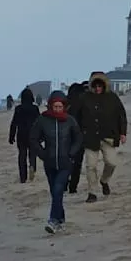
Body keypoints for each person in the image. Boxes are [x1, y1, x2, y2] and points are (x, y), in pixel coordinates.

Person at [29, 91, 84, 234]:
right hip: (50, 163)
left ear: (64, 106)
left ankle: (53, 220)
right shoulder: (43, 120)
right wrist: (43, 154)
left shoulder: (70, 121)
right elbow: (33, 138)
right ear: (50, 106)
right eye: (55, 106)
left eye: (60, 107)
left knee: (59, 189)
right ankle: (61, 219)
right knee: (55, 192)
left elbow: (78, 138)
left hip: (66, 163)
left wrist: (72, 153)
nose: (58, 109)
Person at [72, 72, 128, 204]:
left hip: (109, 136)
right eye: (95, 85)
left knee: (111, 163)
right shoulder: (84, 98)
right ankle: (92, 193)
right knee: (90, 166)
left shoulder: (112, 98)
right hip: (90, 137)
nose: (97, 88)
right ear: (91, 85)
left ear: (104, 86)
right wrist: (78, 132)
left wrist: (123, 133)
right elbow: (75, 116)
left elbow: (121, 115)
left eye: (100, 86)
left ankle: (104, 180)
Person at [8, 87, 40, 183]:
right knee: (32, 154)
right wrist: (41, 135)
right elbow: (39, 122)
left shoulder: (18, 109)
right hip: (33, 134)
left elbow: (14, 123)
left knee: (22, 155)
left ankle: (23, 177)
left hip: (21, 134)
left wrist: (11, 136)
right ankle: (32, 167)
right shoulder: (35, 108)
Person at [65, 81, 89, 195]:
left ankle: (64, 183)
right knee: (77, 163)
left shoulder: (67, 103)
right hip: (81, 136)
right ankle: (73, 187)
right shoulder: (84, 102)